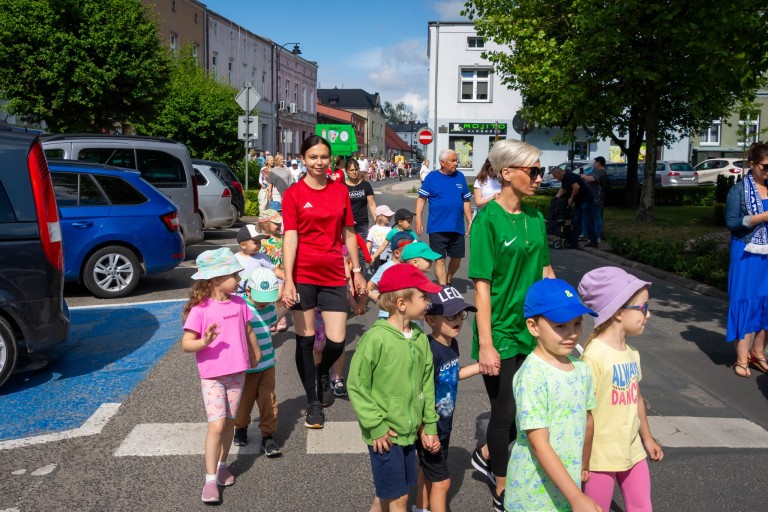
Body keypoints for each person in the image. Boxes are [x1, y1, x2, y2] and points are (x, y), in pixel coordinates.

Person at [468, 139, 555, 509]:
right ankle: (501, 485)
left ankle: (488, 452)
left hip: (532, 329)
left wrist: (564, 316)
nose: (539, 178)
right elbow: (482, 288)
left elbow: (546, 271)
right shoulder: (487, 220)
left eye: (540, 171)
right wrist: (486, 344)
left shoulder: (535, 219)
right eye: (532, 171)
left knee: (526, 408)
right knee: (504, 411)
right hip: (500, 329)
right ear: (506, 173)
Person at [281, 135, 367, 429]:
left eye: (324, 157)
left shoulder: (340, 191)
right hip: (303, 274)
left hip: (333, 274)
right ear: (303, 159)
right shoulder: (293, 194)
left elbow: (349, 233)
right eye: (313, 157)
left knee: (337, 340)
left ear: (331, 159)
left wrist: (356, 271)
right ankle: (312, 403)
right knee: (305, 340)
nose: (319, 162)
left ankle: (322, 372)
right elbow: (290, 237)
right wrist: (288, 279)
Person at [347, 264, 442, 512]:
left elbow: (427, 385)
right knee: (399, 498)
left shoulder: (420, 339)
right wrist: (376, 425)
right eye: (423, 296)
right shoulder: (376, 338)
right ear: (401, 304)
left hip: (409, 431)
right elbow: (357, 386)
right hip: (385, 434)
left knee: (387, 496)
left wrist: (429, 425)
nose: (429, 301)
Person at [504, 278, 599, 512]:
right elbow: (538, 443)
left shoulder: (582, 369)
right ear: (533, 327)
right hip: (532, 496)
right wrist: (577, 498)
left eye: (577, 323)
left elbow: (587, 421)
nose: (572, 333)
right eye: (561, 326)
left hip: (567, 487)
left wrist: (584, 462)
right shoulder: (532, 375)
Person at [577, 266, 664, 511]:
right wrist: (583, 458)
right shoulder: (594, 357)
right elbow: (583, 413)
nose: (648, 315)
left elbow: (637, 399)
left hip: (632, 450)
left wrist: (647, 439)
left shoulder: (632, 353)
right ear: (618, 312)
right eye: (643, 308)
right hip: (599, 457)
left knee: (642, 506)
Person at [181, 248, 262, 504]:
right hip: (212, 376)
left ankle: (223, 464)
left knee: (229, 423)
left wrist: (256, 352)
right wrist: (205, 341)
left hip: (237, 373)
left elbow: (248, 329)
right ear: (216, 279)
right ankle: (209, 479)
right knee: (216, 425)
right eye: (234, 275)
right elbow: (186, 344)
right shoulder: (201, 309)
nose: (239, 279)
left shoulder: (239, 303)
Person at [414, 285, 480, 512]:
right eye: (451, 316)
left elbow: (452, 375)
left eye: (461, 314)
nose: (458, 320)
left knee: (428, 472)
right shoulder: (428, 351)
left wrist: (479, 367)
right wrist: (424, 430)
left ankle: (420, 507)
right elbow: (418, 394)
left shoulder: (452, 344)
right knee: (442, 482)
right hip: (429, 427)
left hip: (443, 426)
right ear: (431, 320)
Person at [725, 142, 768, 377]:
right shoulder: (739, 190)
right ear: (752, 164)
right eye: (765, 167)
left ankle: (758, 353)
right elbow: (732, 222)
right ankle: (741, 358)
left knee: (766, 303)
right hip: (746, 251)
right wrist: (761, 217)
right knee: (744, 301)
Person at [233, 268, 282, 458]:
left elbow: (274, 321)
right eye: (261, 298)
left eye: (269, 298)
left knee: (268, 401)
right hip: (246, 368)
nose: (265, 302)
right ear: (248, 291)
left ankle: (268, 436)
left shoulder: (269, 308)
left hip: (268, 365)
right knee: (243, 403)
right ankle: (241, 427)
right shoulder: (241, 308)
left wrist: (287, 304)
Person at [415, 149, 473, 285]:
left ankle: (448, 278)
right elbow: (421, 199)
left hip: (457, 226)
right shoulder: (432, 177)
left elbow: (466, 200)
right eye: (453, 160)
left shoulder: (460, 177)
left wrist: (470, 221)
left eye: (456, 160)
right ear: (442, 162)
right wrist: (418, 218)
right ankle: (443, 288)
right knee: (440, 259)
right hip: (437, 227)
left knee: (457, 258)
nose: (456, 163)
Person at [368, 231, 416, 318]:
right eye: (409, 251)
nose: (413, 254)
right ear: (397, 253)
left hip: (405, 314)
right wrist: (361, 304)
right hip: (387, 315)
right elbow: (370, 285)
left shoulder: (410, 266)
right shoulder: (386, 268)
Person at [552, 166, 598, 248]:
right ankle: (574, 242)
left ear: (559, 172)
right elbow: (563, 189)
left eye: (555, 176)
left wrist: (571, 198)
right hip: (579, 201)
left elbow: (576, 186)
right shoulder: (564, 179)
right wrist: (556, 198)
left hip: (586, 200)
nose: (555, 178)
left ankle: (593, 241)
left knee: (587, 220)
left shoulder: (568, 176)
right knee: (575, 221)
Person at [345, 158, 377, 237]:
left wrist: (376, 221)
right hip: (347, 224)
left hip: (362, 223)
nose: (354, 172)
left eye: (356, 169)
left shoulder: (365, 185)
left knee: (363, 244)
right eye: (351, 170)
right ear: (346, 171)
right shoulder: (342, 187)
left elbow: (372, 205)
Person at [582, 156, 609, 241]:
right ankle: (586, 234)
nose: (593, 164)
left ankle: (596, 236)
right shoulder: (595, 171)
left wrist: (583, 176)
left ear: (598, 163)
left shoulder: (602, 172)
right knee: (586, 216)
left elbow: (592, 179)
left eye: (595, 162)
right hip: (590, 197)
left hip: (596, 198)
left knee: (596, 216)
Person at [367, 205, 395, 273]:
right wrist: (367, 254)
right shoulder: (373, 228)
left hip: (389, 253)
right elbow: (369, 242)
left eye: (390, 216)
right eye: (387, 216)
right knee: (378, 272)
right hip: (376, 254)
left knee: (388, 271)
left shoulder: (391, 228)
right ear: (380, 216)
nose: (390, 217)